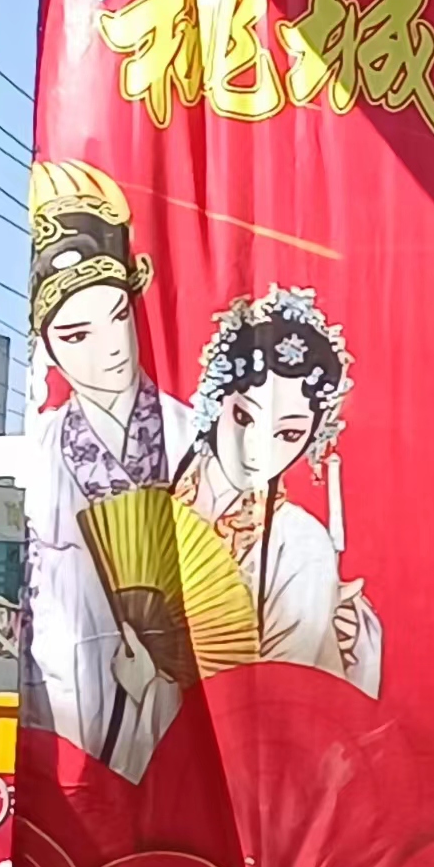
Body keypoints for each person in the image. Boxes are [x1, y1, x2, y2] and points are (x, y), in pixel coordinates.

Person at [20, 159, 193, 784]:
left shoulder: (191, 436)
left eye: (120, 316)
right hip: (75, 711)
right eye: (77, 334)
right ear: (48, 346)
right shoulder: (43, 453)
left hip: (189, 724)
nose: (112, 347)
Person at [170, 286, 382, 697]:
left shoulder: (300, 544)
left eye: (287, 434)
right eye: (244, 417)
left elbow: (282, 694)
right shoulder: (155, 491)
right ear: (216, 399)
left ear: (311, 439)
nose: (257, 449)